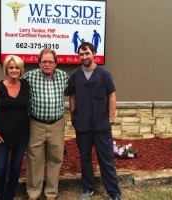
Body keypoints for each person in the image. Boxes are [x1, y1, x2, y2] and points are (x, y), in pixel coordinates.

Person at [0, 49, 69, 200]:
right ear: (39, 63)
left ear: (56, 63)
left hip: (57, 124)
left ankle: (51, 193)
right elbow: (10, 81)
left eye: (50, 61)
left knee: (55, 159)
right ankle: (33, 193)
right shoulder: (30, 77)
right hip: (36, 124)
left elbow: (75, 92)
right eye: (44, 61)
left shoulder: (64, 76)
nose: (47, 64)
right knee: (34, 160)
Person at [68, 42, 121, 200]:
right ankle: (88, 188)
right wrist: (73, 117)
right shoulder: (75, 75)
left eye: (87, 53)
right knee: (85, 159)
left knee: (107, 160)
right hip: (82, 126)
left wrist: (110, 119)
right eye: (81, 54)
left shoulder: (104, 74)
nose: (84, 57)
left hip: (101, 127)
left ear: (94, 53)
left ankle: (114, 193)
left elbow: (112, 95)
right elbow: (72, 97)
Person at [0, 55, 30, 200]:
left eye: (17, 67)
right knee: (1, 169)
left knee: (16, 167)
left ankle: (10, 196)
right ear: (6, 69)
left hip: (21, 134)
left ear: (21, 69)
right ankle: (0, 196)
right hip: (2, 135)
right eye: (11, 67)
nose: (14, 70)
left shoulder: (25, 84)